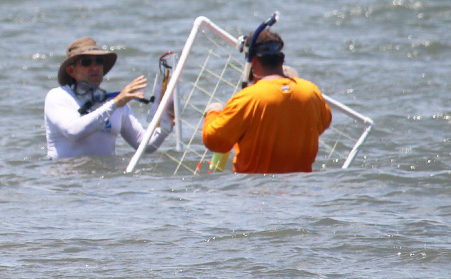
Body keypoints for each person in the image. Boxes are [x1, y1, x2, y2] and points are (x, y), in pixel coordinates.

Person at [201, 26, 332, 173]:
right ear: (280, 59)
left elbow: (214, 141)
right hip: (301, 191)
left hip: (255, 190)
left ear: (254, 61)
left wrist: (213, 112)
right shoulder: (311, 91)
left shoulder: (248, 98)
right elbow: (323, 123)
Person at [44, 37, 172, 160]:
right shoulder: (58, 96)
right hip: (67, 180)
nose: (94, 67)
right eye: (86, 62)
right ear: (72, 71)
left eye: (99, 61)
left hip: (105, 180)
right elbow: (74, 132)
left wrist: (166, 124)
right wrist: (115, 103)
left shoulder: (116, 101)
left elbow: (146, 146)